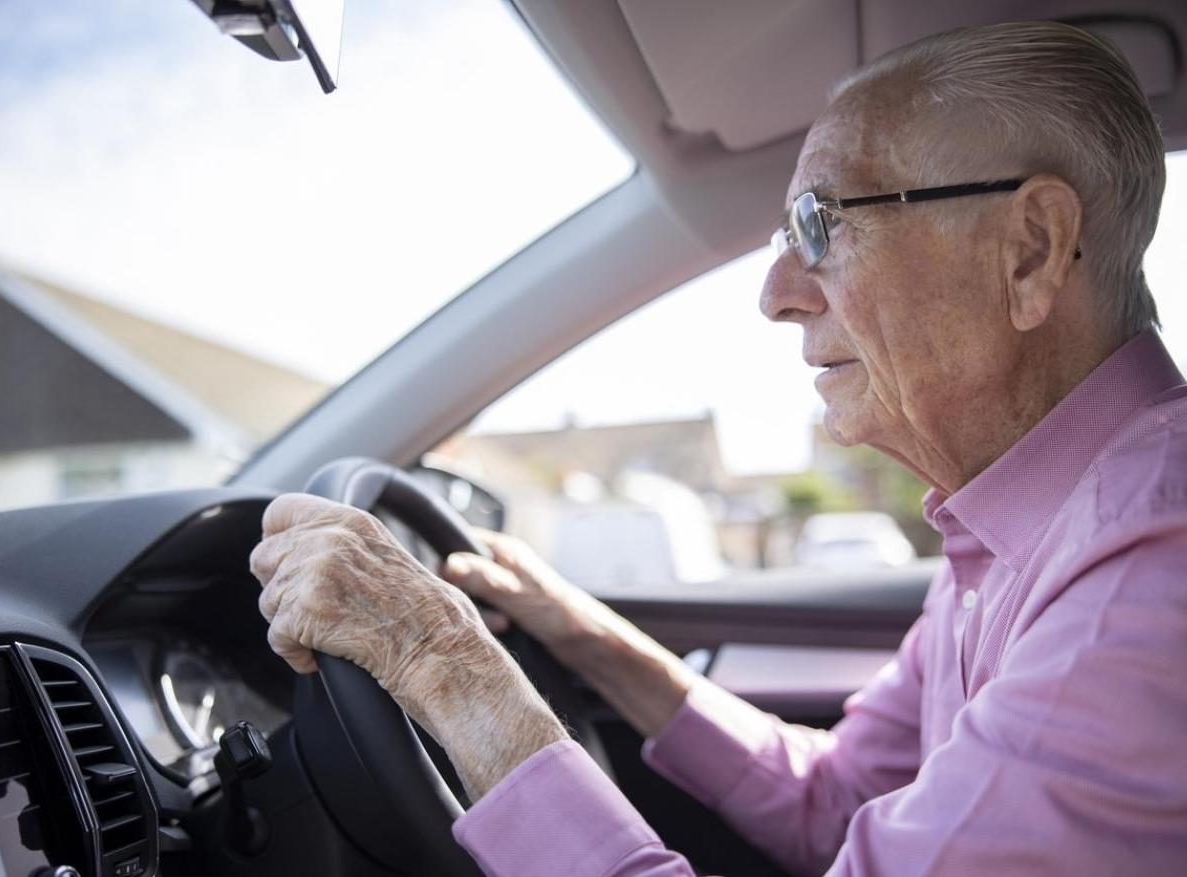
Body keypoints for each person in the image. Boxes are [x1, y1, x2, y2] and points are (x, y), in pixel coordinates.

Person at [248, 20, 1187, 876]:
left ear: (1027, 249)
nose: (777, 290)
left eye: (822, 223)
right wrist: (585, 632)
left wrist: (443, 662)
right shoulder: (1023, 523)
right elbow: (839, 797)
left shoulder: (1146, 573)